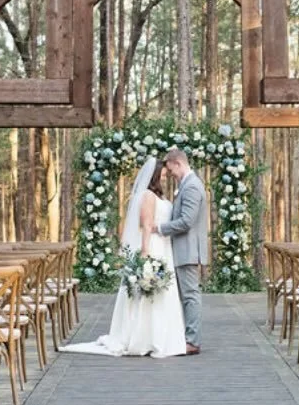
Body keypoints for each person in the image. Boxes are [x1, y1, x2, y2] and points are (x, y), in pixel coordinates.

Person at [60, 156, 186, 358]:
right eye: (163, 173)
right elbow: (146, 225)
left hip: (164, 246)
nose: (166, 175)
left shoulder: (159, 196)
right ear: (155, 175)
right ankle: (144, 337)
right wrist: (145, 252)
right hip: (153, 246)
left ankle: (161, 335)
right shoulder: (147, 196)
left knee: (161, 292)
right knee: (148, 291)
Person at [153, 147, 207, 354]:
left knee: (191, 296)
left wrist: (160, 228)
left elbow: (186, 221)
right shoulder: (186, 184)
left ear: (178, 163)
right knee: (186, 295)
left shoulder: (192, 186)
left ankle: (193, 341)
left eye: (171, 170)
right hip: (183, 249)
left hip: (188, 250)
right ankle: (186, 337)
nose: (171, 174)